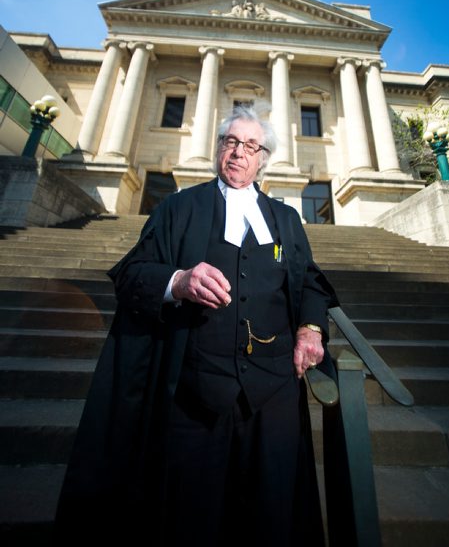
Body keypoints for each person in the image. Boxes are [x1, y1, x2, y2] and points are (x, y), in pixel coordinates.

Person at [54, 104, 339, 547]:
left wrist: (310, 329)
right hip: (195, 391)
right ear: (218, 149)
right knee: (190, 514)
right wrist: (178, 281)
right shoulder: (178, 208)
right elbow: (132, 275)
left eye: (249, 146)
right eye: (230, 142)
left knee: (270, 511)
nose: (238, 153)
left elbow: (312, 285)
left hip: (273, 393)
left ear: (262, 157)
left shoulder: (286, 219)